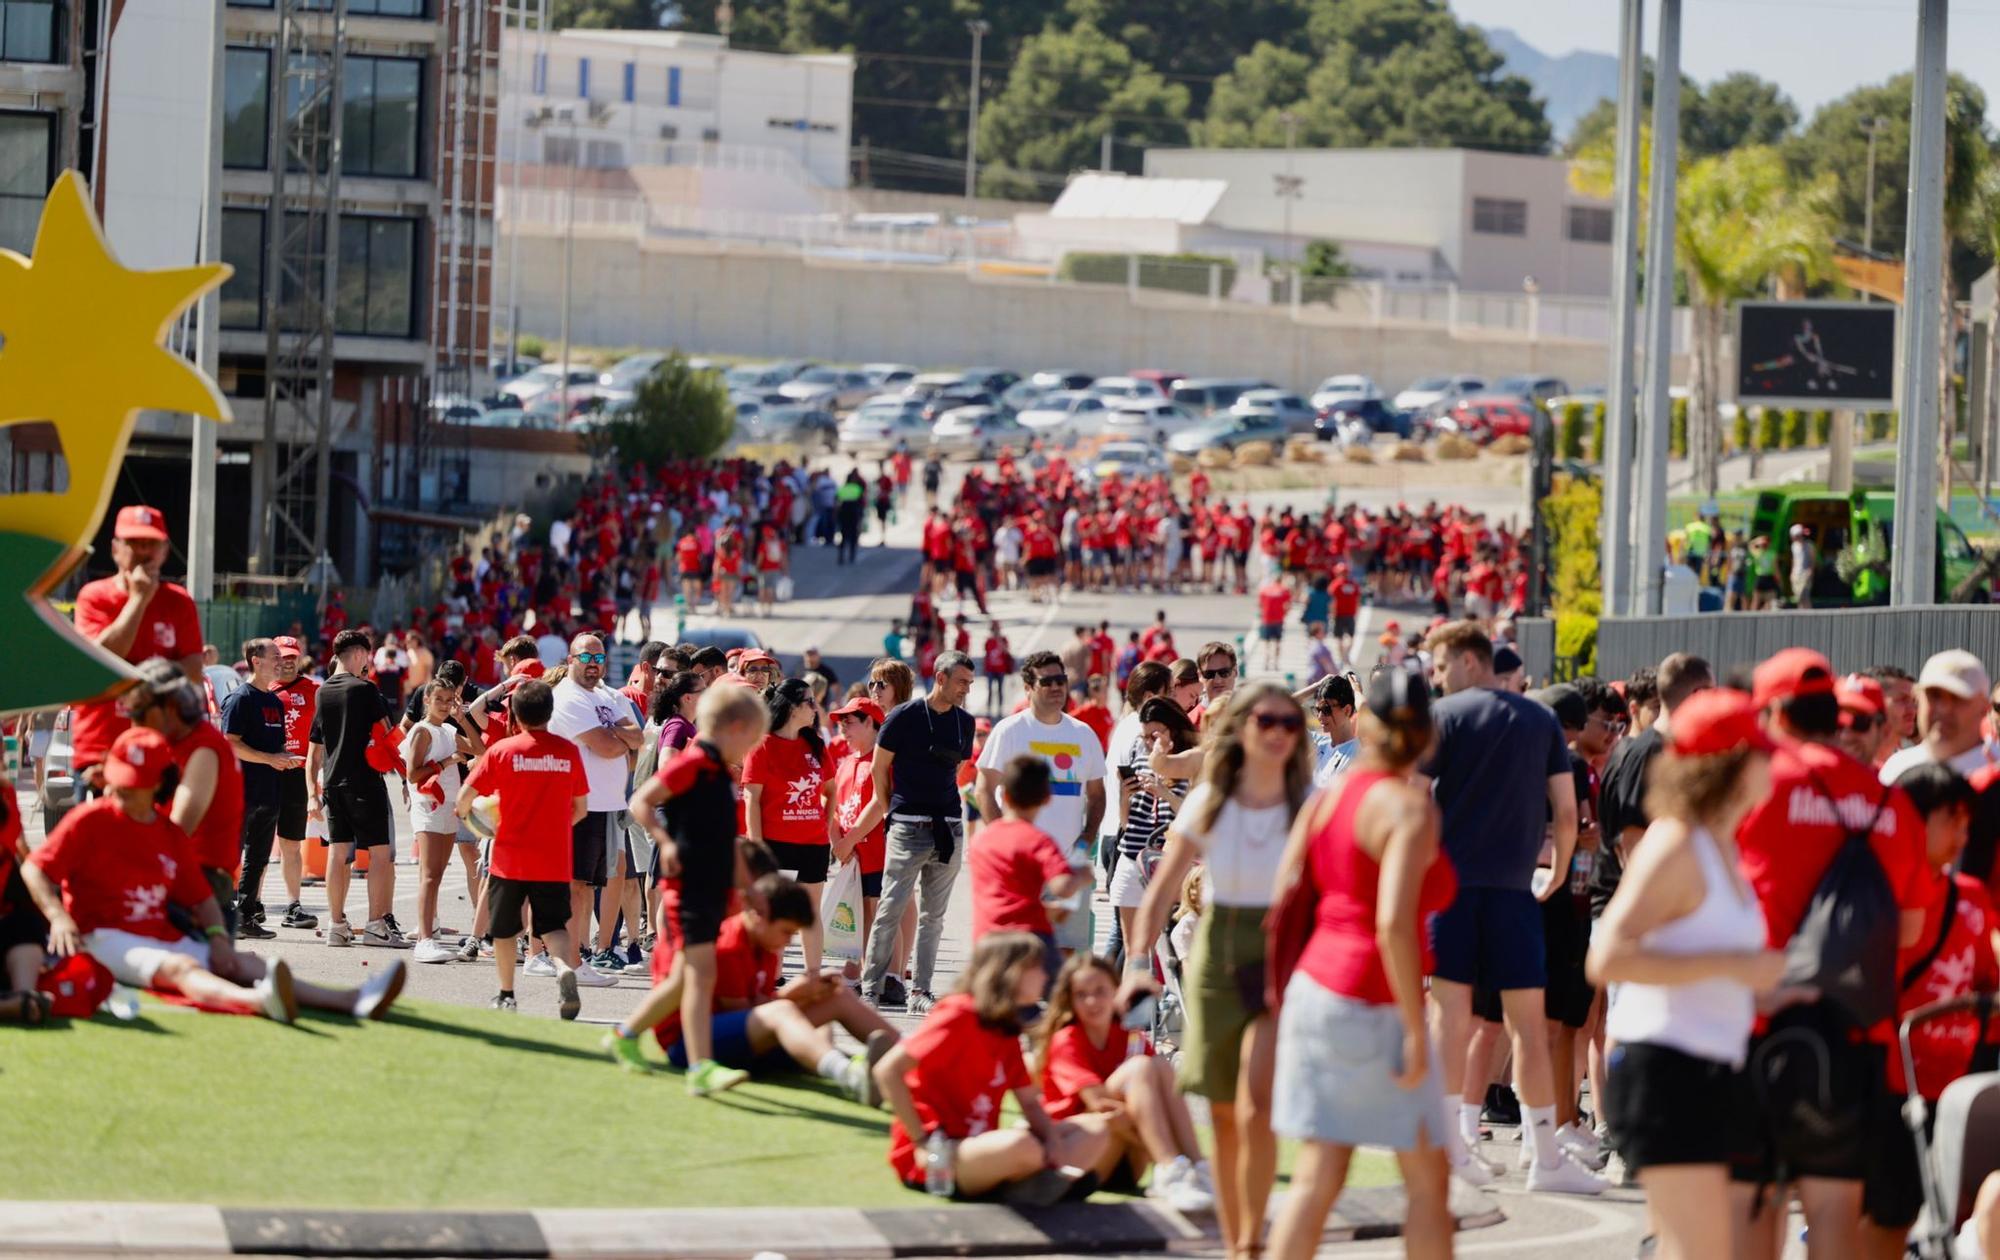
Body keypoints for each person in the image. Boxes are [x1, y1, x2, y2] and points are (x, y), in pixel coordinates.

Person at [1730, 648, 1931, 1260]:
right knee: (1835, 1207)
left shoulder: (1762, 784)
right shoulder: (1891, 805)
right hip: (1855, 1034)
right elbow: (1911, 930)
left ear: (1776, 714)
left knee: (1751, 1201)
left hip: (1755, 1023)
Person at [1266, 670, 1459, 1260]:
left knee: (1319, 1177)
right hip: (1372, 998)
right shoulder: (1408, 808)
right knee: (1429, 1184)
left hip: (1315, 993)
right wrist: (1412, 1021)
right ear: (1426, 733)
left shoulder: (1327, 801)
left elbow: (1284, 899)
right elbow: (1393, 924)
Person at [23, 727, 404, 1024]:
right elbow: (34, 869)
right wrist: (57, 917)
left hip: (157, 935)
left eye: (135, 781)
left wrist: (219, 937)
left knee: (246, 963)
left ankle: (353, 1000)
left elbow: (200, 897)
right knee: (182, 968)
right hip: (98, 936)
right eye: (120, 778)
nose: (124, 790)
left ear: (159, 783)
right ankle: (258, 1001)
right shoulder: (90, 820)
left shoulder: (167, 832)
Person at [1587, 689, 1785, 1260]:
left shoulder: (1723, 846)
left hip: (1714, 1067)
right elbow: (1606, 958)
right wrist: (1732, 966)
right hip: (1665, 1070)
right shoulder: (1674, 843)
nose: (1773, 763)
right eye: (1760, 752)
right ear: (1728, 765)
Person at [1127, 683, 1314, 1260]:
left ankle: (1254, 1242)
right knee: (1227, 1115)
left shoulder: (1307, 801)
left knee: (1259, 1103)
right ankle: (1239, 1245)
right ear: (1242, 727)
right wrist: (1137, 964)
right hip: (1217, 949)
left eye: (1291, 723)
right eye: (1268, 721)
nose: (1280, 732)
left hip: (1279, 954)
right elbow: (1160, 892)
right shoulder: (1214, 797)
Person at [1419, 621, 1598, 1194]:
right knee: (1526, 1025)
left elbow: (1414, 799)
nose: (1437, 676)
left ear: (1470, 662)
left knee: (1451, 1019)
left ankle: (1451, 1146)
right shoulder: (1541, 719)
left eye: (1442, 665)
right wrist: (1559, 872)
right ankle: (1544, 1154)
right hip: (1514, 891)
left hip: (1450, 890)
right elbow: (1566, 815)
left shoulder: (1443, 717)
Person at [1863, 764, 1999, 1260]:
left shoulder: (1972, 895)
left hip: (1959, 1088)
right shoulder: (1877, 895)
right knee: (1886, 1218)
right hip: (1892, 1087)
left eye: (1968, 819)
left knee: (1949, 1215)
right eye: (1952, 818)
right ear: (1911, 821)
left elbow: (1986, 980)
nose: (1965, 831)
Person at [872, 932, 1108, 1202]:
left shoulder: (1004, 1026)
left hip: (981, 1145)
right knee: (1024, 1146)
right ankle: (1035, 1181)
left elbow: (1029, 1102)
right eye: (1036, 968)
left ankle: (1028, 1183)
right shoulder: (959, 1012)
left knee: (1096, 1130)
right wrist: (921, 1141)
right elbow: (887, 1070)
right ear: (1012, 972)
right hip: (939, 1155)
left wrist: (1053, 1144)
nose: (1045, 976)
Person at [626, 684, 773, 1096]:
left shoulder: (719, 773)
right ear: (736, 727)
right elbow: (642, 801)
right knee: (701, 975)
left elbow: (726, 839)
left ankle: (624, 1034)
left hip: (714, 885)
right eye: (750, 741)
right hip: (687, 886)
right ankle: (701, 1065)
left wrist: (747, 886)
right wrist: (665, 839)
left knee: (682, 979)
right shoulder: (692, 763)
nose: (748, 754)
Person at [640, 872, 896, 1101]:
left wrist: (801, 993)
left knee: (836, 995)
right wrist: (791, 994)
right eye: (785, 931)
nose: (787, 942)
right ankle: (850, 1076)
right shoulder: (728, 946)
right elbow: (748, 1015)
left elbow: (757, 1011)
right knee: (785, 1012)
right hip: (688, 1046)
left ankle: (911, 1061)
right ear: (756, 915)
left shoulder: (765, 944)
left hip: (739, 1035)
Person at [1037, 954, 1216, 1214]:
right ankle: (1168, 1166)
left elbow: (1157, 1096)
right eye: (1081, 994)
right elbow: (1104, 1110)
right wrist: (1149, 1133)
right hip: (1083, 1154)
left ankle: (1197, 1166)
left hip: (1127, 1159)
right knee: (1140, 1067)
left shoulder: (1126, 1035)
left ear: (1115, 992)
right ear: (1070, 1000)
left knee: (1160, 1066)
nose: (1092, 1001)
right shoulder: (1067, 1040)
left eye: (1100, 991)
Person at [457, 678, 588, 1020]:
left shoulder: (502, 751)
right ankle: (563, 969)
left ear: (514, 713)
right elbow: (581, 809)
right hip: (554, 856)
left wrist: (482, 821)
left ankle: (506, 994)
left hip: (509, 858)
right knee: (553, 925)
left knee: (503, 929)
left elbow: (463, 802)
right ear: (550, 712)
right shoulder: (568, 752)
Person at [856, 652, 978, 1014]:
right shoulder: (903, 717)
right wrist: (890, 810)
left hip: (948, 827)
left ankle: (920, 991)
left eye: (969, 683)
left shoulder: (964, 722)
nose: (965, 690)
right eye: (961, 682)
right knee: (889, 908)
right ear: (940, 678)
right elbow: (880, 768)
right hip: (907, 826)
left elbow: (955, 769)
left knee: (934, 916)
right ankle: (870, 986)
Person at [976, 651, 1107, 961]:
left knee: (1065, 951)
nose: (1056, 687)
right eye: (1046, 681)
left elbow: (1097, 795)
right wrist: (1001, 838)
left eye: (1060, 680)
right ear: (1028, 688)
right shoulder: (1009, 731)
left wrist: (1086, 839)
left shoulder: (1083, 734)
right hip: (1020, 864)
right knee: (1018, 949)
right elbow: (984, 789)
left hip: (1067, 862)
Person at [69, 505, 204, 791]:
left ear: (165, 550)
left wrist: (138, 680)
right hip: (101, 751)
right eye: (134, 543)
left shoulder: (179, 603)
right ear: (116, 549)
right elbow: (98, 660)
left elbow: (193, 670)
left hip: (163, 751)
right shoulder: (94, 596)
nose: (143, 552)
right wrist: (138, 599)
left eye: (151, 544)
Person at [546, 633, 643, 987]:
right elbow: (607, 746)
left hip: (609, 803)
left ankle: (582, 955)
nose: (593, 666)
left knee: (592, 885)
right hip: (578, 803)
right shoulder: (567, 698)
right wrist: (618, 735)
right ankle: (572, 962)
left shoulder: (610, 695)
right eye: (586, 658)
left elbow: (638, 738)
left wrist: (616, 734)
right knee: (576, 887)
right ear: (570, 659)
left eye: (599, 659)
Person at [307, 629, 405, 948]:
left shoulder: (322, 692)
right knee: (378, 853)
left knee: (338, 853)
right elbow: (391, 737)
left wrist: (312, 790)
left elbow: (314, 749)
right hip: (364, 780)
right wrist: (410, 774)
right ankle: (376, 924)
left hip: (332, 781)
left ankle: (336, 924)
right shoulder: (366, 690)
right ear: (361, 654)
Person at [743, 678, 834, 976]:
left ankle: (813, 976)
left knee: (810, 913)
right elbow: (751, 799)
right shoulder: (762, 746)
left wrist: (825, 822)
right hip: (775, 844)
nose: (814, 707)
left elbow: (831, 790)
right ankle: (772, 975)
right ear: (792, 708)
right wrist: (757, 846)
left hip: (813, 844)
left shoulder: (816, 745)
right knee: (773, 914)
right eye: (809, 702)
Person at [966, 756, 1094, 970]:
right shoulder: (1038, 841)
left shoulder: (981, 839)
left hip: (986, 940)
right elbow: (1062, 887)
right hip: (1028, 942)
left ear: (1004, 795)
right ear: (1047, 798)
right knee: (1061, 996)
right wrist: (1082, 876)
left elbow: (1007, 901)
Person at [219, 639, 302, 938]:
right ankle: (222, 918)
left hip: (270, 791)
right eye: (275, 657)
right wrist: (271, 758)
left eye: (282, 657)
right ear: (256, 661)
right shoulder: (240, 699)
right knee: (231, 856)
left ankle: (246, 917)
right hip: (241, 791)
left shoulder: (274, 701)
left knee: (258, 857)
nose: (281, 662)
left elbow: (275, 745)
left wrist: (288, 758)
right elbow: (230, 743)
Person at [1108, 698, 1198, 954]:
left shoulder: (1190, 761)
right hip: (1132, 858)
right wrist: (1125, 796)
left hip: (1170, 862)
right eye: (1145, 736)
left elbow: (1194, 816)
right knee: (1133, 949)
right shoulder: (1139, 755)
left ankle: (1167, 994)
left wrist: (1164, 793)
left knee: (1170, 948)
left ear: (1173, 729)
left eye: (1154, 735)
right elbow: (1126, 823)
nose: (1148, 743)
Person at [407, 680, 478, 964]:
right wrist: (445, 763)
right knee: (429, 874)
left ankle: (428, 935)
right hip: (428, 806)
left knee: (436, 874)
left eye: (450, 700)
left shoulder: (448, 728)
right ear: (426, 699)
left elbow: (479, 748)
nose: (445, 704)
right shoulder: (422, 731)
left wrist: (463, 719)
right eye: (440, 698)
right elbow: (413, 774)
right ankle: (424, 939)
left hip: (448, 805)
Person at [268, 635, 321, 930]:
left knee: (291, 843)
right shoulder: (260, 689)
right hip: (266, 771)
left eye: (292, 657)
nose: (287, 663)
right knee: (259, 843)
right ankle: (250, 904)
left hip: (297, 772)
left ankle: (293, 904)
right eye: (282, 657)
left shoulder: (314, 690)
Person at [1879, 650, 1993, 782]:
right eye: (1934, 695)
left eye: (1957, 698)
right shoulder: (1897, 769)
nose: (1944, 709)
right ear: (1917, 699)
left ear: (1984, 708)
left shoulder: (1995, 767)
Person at [829, 697, 889, 950]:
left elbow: (879, 804)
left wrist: (849, 840)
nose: (842, 728)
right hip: (850, 854)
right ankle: (857, 970)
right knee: (854, 915)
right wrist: (838, 844)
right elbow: (835, 809)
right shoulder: (845, 764)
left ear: (870, 723)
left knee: (875, 913)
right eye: (841, 722)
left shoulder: (881, 761)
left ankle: (881, 974)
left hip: (875, 853)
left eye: (849, 722)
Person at [1308, 674, 1358, 789]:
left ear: (1347, 710)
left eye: (1326, 710)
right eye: (1317, 710)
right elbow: (1279, 713)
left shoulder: (1357, 753)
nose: (1320, 716)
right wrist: (1316, 686)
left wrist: (1356, 692)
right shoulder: (1319, 743)